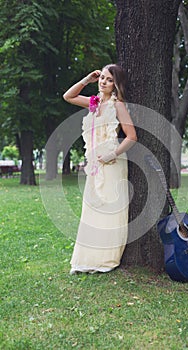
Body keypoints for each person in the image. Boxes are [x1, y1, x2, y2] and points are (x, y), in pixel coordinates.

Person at [63, 64, 137, 274]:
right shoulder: (93, 103)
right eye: (102, 78)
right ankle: (88, 257)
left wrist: (111, 155)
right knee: (93, 209)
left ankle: (106, 259)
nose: (104, 82)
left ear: (116, 85)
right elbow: (68, 96)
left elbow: (132, 137)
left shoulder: (118, 106)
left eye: (109, 79)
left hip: (113, 162)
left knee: (109, 209)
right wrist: (87, 79)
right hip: (95, 164)